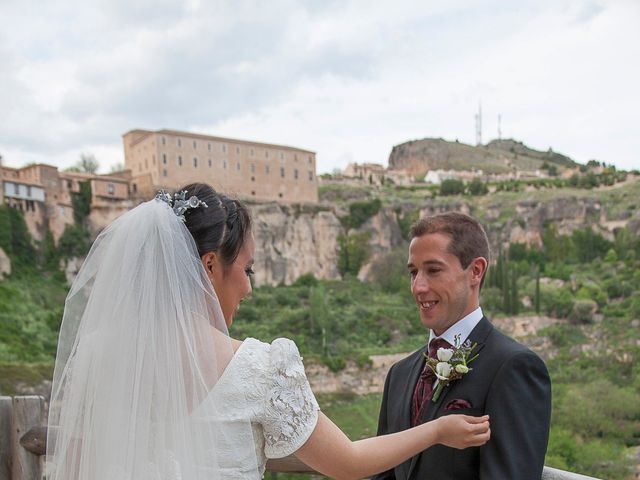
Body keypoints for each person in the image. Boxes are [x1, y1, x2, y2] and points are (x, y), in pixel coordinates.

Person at [46, 184, 490, 480]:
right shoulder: (257, 368)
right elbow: (348, 462)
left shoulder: (100, 355)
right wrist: (436, 431)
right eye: (247, 268)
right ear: (209, 266)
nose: (249, 286)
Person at [372, 212, 551, 480]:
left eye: (433, 270)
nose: (418, 286)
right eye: (413, 272)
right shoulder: (399, 374)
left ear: (475, 272)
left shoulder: (514, 366)